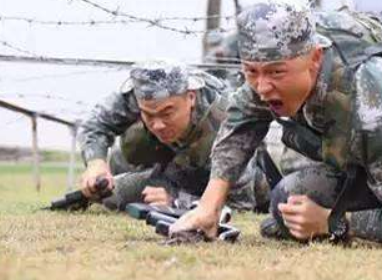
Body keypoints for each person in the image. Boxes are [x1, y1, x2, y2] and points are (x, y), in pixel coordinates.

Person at [171, 2, 382, 245]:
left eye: (276, 73)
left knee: (305, 211)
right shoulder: (278, 66)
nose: (262, 87)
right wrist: (209, 207)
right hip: (373, 162)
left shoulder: (376, 103)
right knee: (288, 201)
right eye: (251, 72)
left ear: (316, 59)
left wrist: (331, 223)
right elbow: (242, 116)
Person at [78, 60, 269, 212]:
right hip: (172, 171)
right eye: (149, 115)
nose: (158, 125)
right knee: (112, 188)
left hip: (218, 180)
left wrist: (178, 202)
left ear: (191, 98)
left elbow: (241, 205)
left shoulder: (226, 116)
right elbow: (95, 123)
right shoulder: (141, 96)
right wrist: (96, 163)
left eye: (167, 113)